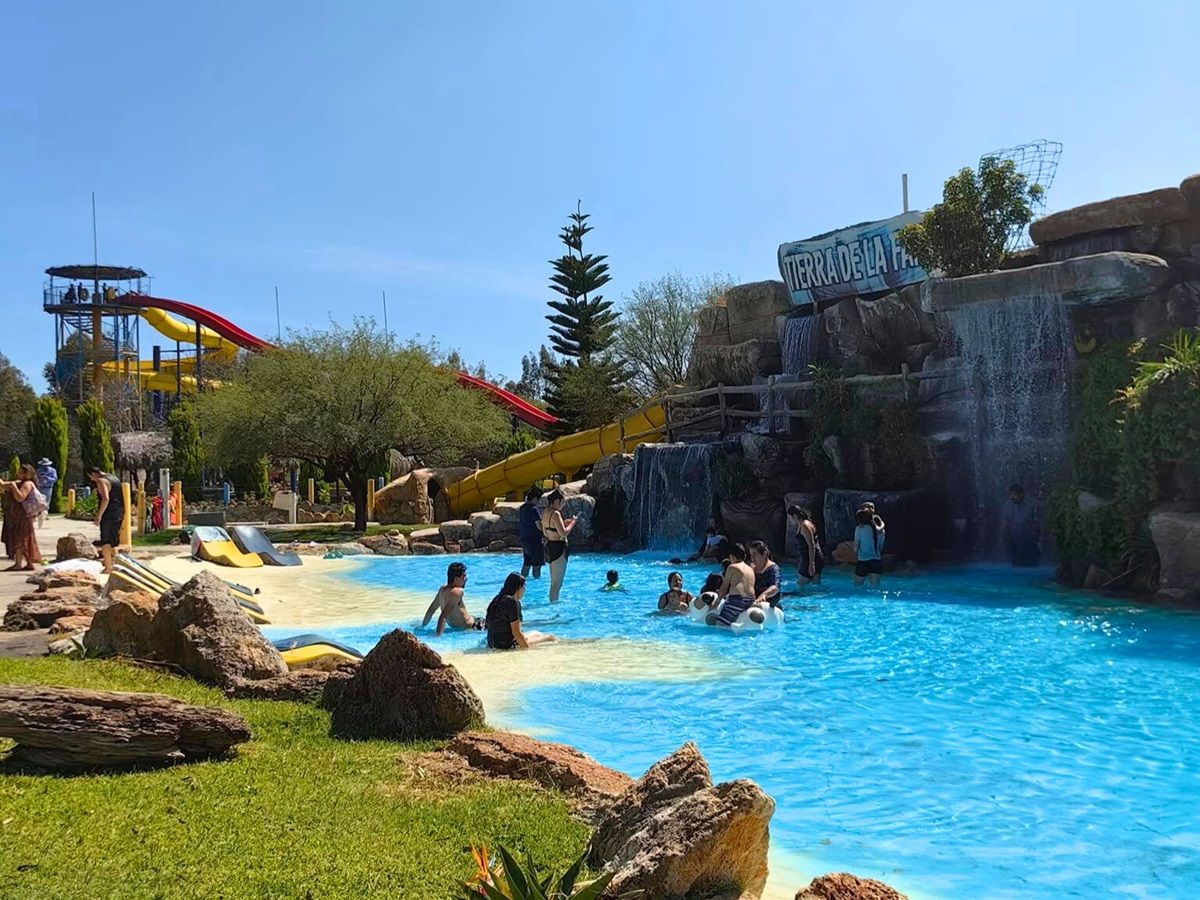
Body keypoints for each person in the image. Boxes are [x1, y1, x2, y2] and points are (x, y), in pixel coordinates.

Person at [485, 572, 556, 649]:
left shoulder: (497, 599)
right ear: (519, 588)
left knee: (536, 632)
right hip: (507, 645)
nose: (524, 590)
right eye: (524, 587)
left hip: (492, 642)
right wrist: (527, 649)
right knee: (550, 638)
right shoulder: (513, 602)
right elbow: (517, 633)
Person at [0, 465, 45, 571]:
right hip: (16, 516)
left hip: (22, 516)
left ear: (28, 474)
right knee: (22, 539)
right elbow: (2, 486)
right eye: (19, 472)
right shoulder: (18, 482)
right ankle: (28, 563)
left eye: (22, 472)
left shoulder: (27, 484)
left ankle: (19, 564)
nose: (19, 474)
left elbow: (20, 497)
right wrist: (10, 484)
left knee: (21, 539)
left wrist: (13, 487)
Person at [421, 562, 482, 634]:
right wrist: (438, 636)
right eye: (464, 576)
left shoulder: (442, 590)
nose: (466, 579)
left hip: (476, 623)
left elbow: (431, 610)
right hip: (475, 627)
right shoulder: (457, 591)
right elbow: (443, 616)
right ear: (456, 579)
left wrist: (422, 626)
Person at [88, 466, 124, 573]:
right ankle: (118, 564)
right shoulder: (114, 478)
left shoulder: (101, 481)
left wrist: (99, 515)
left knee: (106, 540)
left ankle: (108, 567)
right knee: (114, 540)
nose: (91, 480)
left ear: (93, 474)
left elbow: (105, 498)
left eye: (90, 477)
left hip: (109, 513)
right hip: (119, 511)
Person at [541, 489, 575, 603]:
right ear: (556, 501)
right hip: (559, 548)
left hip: (550, 546)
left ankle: (552, 603)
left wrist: (562, 524)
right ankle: (554, 608)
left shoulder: (545, 512)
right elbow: (564, 533)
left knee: (553, 583)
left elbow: (546, 532)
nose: (563, 505)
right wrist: (573, 522)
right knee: (558, 584)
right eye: (562, 502)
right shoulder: (555, 513)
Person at [715, 542, 757, 625]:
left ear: (732, 557)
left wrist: (715, 604)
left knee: (720, 624)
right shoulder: (750, 568)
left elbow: (724, 588)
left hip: (738, 600)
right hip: (751, 600)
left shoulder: (732, 567)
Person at [1002, 483, 1040, 567]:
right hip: (1014, 543)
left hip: (1030, 543)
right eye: (1011, 495)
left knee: (1031, 566)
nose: (1012, 497)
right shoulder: (1007, 505)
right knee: (1016, 566)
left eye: (1015, 495)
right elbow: (1005, 525)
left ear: (1022, 494)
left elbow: (1037, 525)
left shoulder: (1031, 505)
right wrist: (1005, 540)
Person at [788, 504, 823, 587]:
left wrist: (812, 564)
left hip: (811, 558)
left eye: (791, 517)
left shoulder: (805, 526)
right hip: (809, 557)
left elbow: (811, 545)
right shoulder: (803, 523)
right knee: (816, 585)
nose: (791, 519)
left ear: (795, 516)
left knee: (801, 584)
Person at [853, 506, 885, 587]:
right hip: (876, 561)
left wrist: (855, 557)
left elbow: (856, 546)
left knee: (857, 587)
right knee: (875, 588)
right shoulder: (881, 531)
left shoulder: (859, 529)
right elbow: (880, 548)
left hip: (863, 561)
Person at [518, 486, 544, 579]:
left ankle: (521, 581)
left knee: (526, 564)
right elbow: (539, 527)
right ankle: (537, 585)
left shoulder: (522, 508)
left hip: (525, 540)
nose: (538, 502)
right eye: (538, 500)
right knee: (536, 566)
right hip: (535, 541)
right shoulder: (534, 509)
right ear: (535, 498)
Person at [748, 540, 781, 606]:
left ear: (764, 554)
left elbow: (776, 587)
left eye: (755, 554)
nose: (752, 558)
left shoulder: (773, 568)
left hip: (769, 602)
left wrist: (764, 595)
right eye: (751, 555)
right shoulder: (751, 568)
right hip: (754, 601)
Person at [34, 458, 57, 528]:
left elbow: (55, 479)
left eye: (46, 465)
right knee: (39, 501)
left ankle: (45, 514)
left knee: (47, 501)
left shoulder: (52, 470)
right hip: (40, 487)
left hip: (48, 488)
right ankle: (39, 513)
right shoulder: (38, 471)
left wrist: (48, 478)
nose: (45, 466)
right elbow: (35, 478)